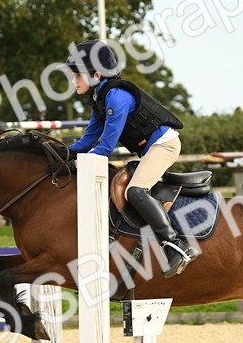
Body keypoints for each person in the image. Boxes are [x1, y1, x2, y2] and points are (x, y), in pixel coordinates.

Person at [64, 38, 199, 277]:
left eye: (78, 75)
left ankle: (176, 244)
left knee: (135, 191)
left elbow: (105, 147)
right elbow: (88, 140)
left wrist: (80, 163)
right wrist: (63, 154)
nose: (74, 81)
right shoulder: (99, 98)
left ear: (95, 74)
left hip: (164, 146)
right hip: (150, 149)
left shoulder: (116, 96)